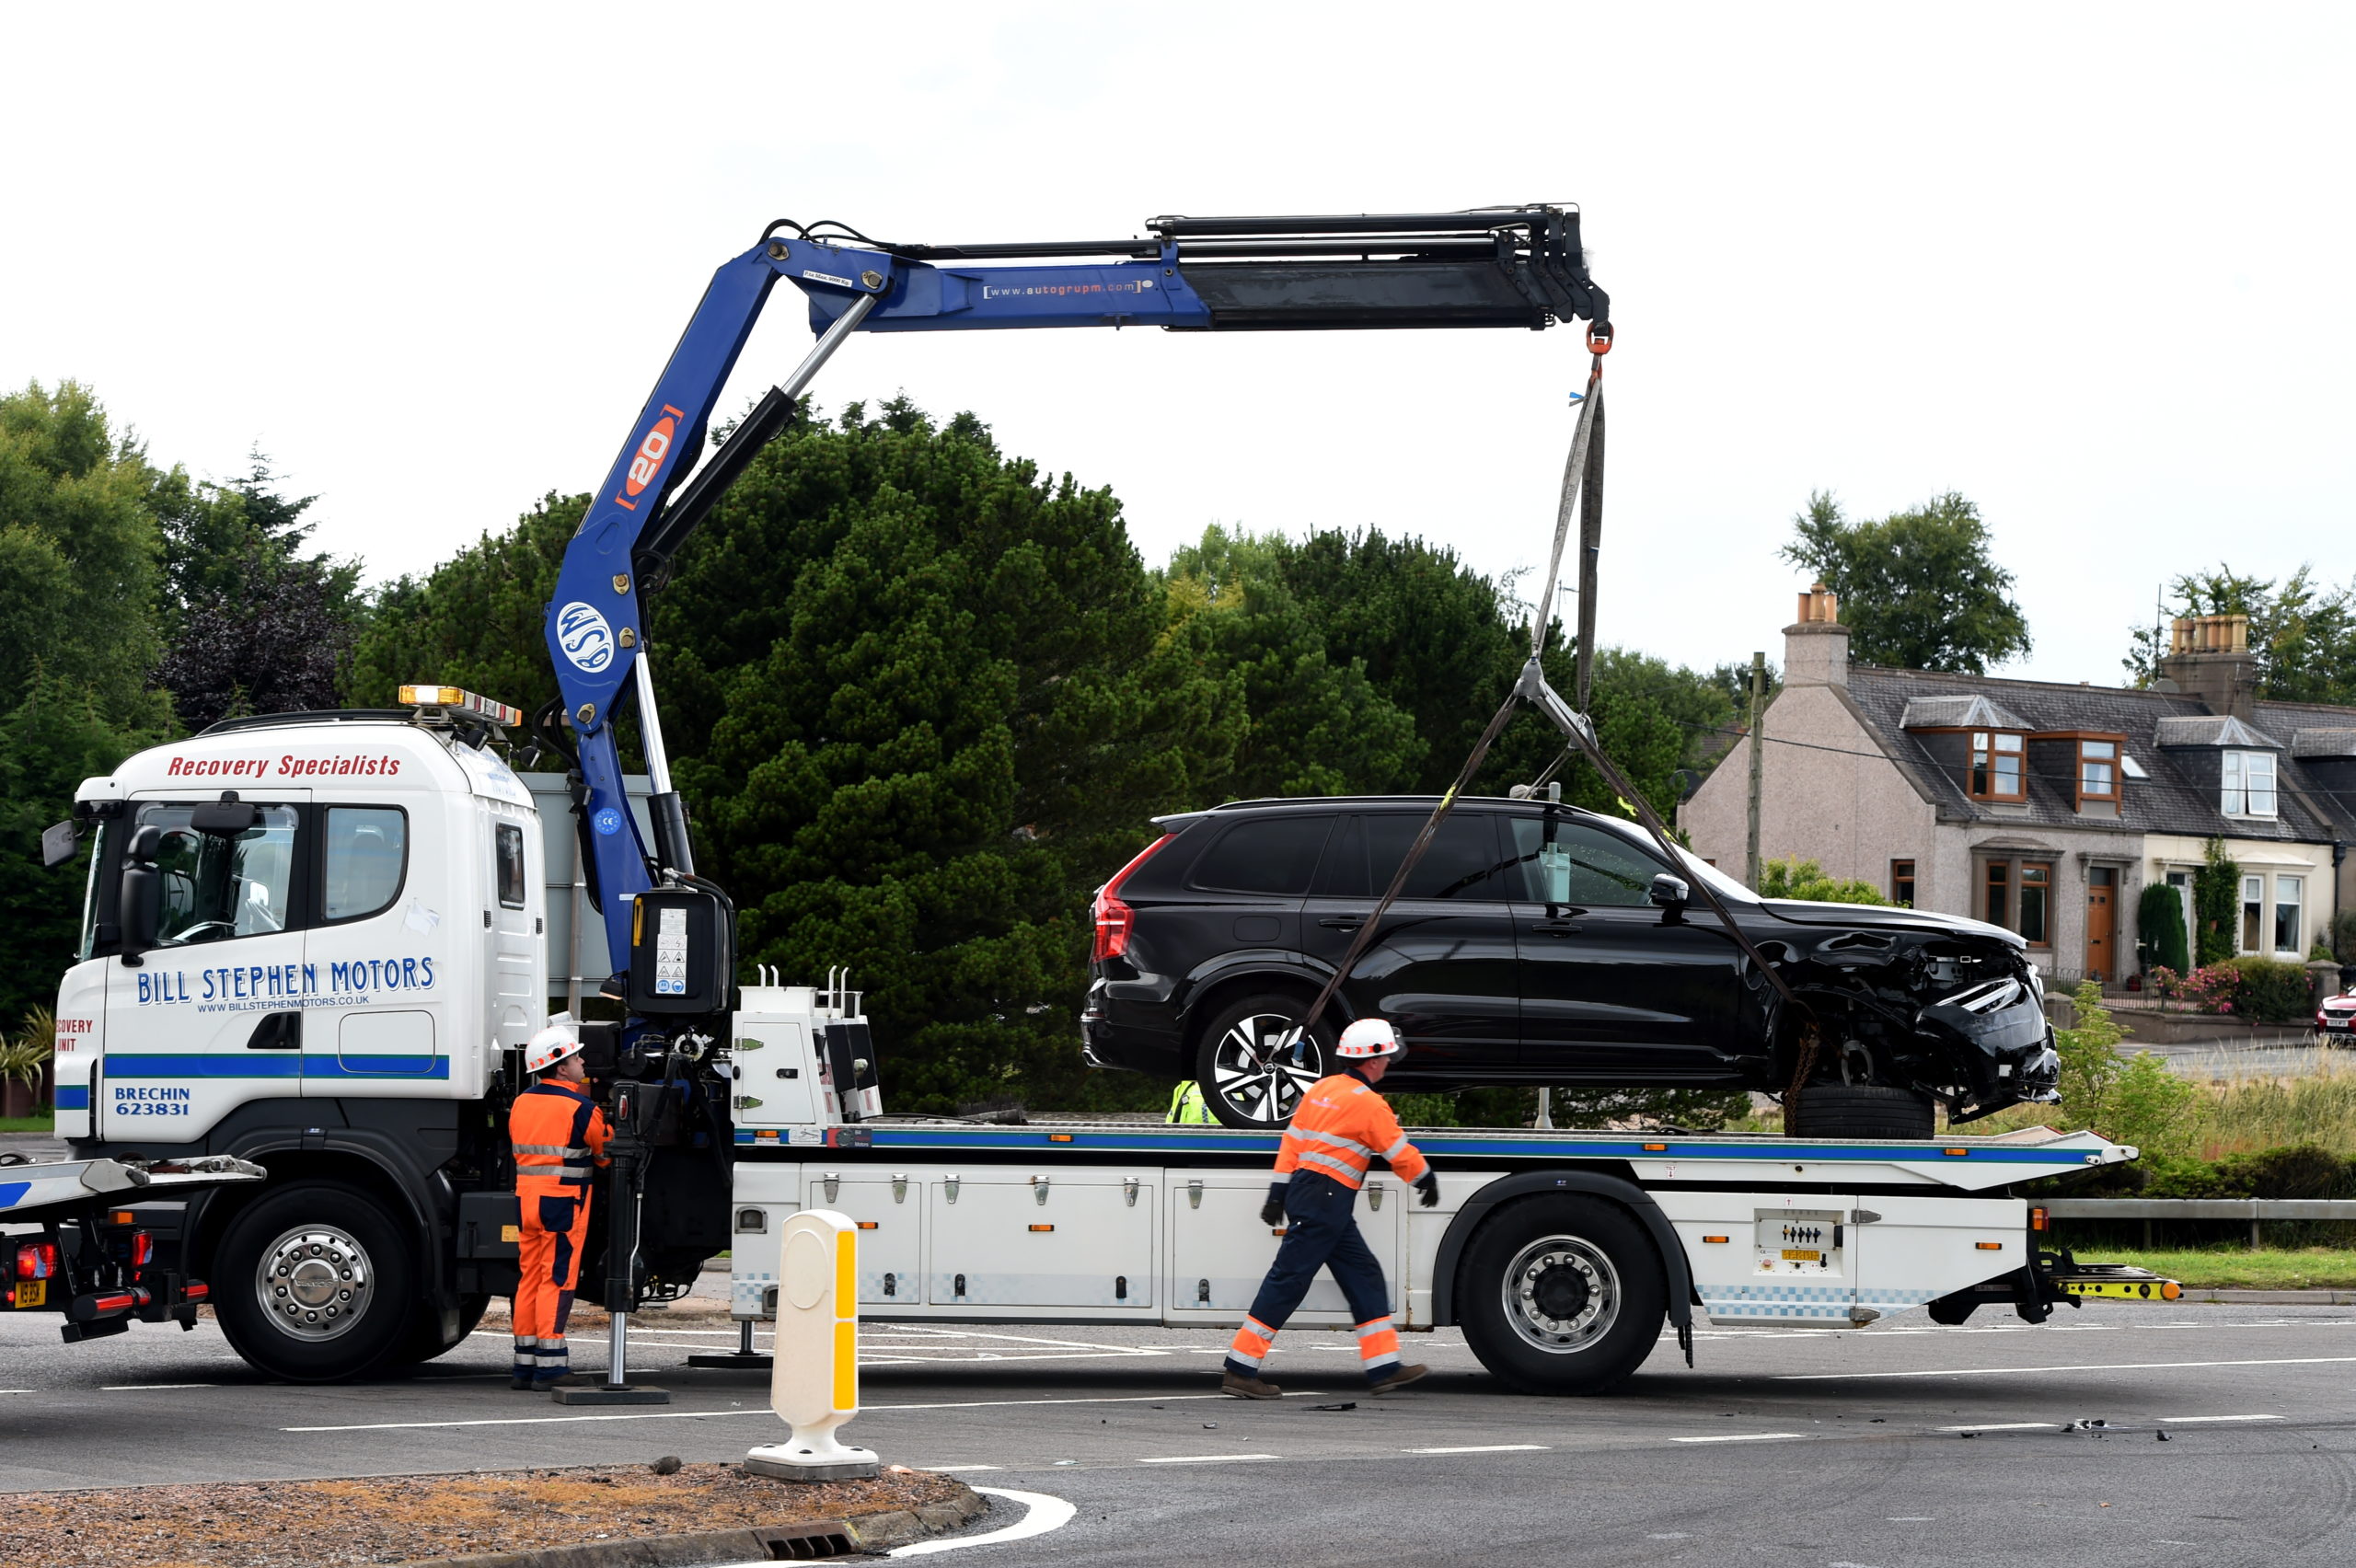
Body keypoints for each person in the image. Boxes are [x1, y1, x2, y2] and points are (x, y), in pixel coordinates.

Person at [1222, 1017, 1438, 1400]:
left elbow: (1292, 1143)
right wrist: (1424, 1178)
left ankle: (1384, 1366)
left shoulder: (1321, 1090)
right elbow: (1397, 1150)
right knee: (1288, 1280)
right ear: (1373, 1060)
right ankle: (1240, 1368)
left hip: (1314, 1195)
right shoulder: (1370, 1104)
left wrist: (1278, 1192)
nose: (1388, 1062)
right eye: (1387, 1055)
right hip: (1327, 1198)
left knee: (1363, 1274)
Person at [510, 1016, 610, 1390]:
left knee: (530, 1278)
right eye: (577, 1059)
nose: (583, 1064)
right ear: (561, 1065)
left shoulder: (521, 1103)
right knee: (557, 1277)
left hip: (526, 1202)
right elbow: (604, 1155)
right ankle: (551, 1366)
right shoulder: (580, 1107)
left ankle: (524, 1363)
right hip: (563, 1203)